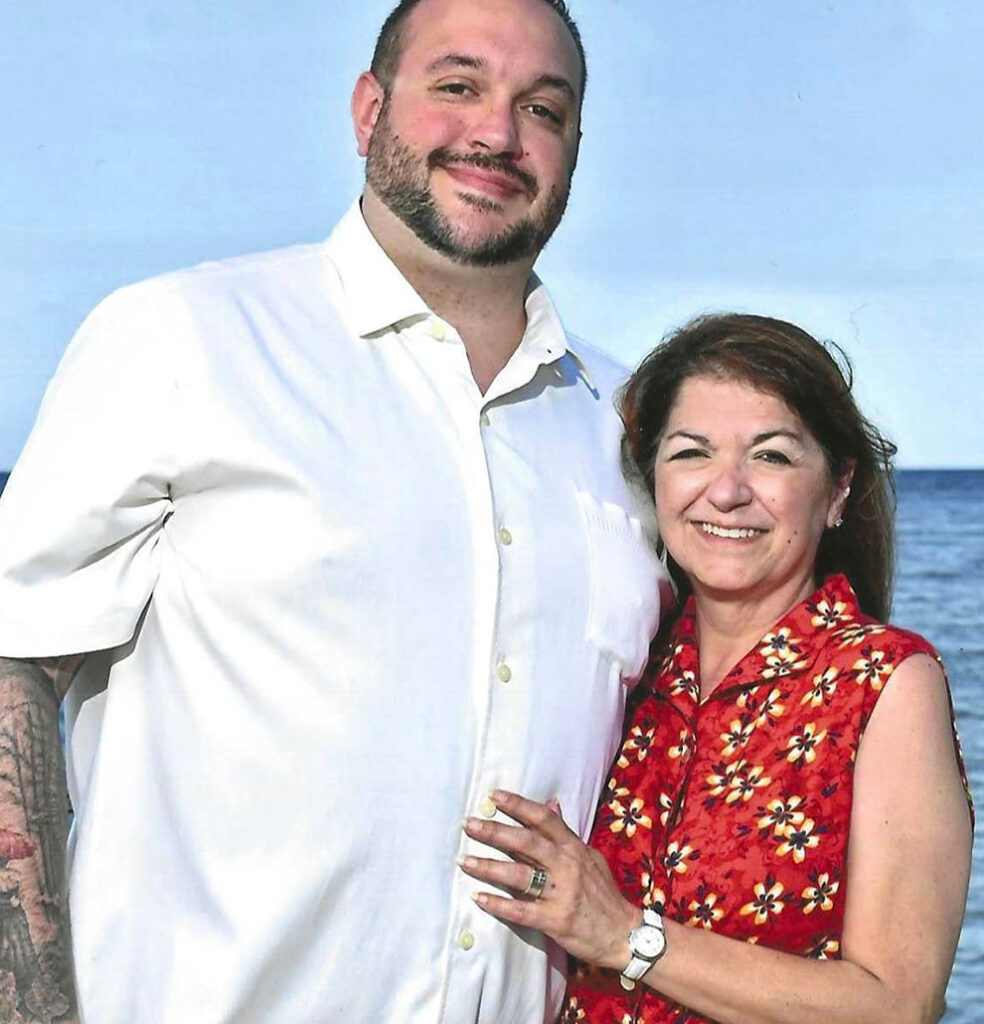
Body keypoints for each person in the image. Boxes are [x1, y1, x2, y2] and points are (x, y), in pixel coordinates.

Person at [0, 1, 669, 1021]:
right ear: (368, 111)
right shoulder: (184, 339)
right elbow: (13, 658)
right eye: (457, 86)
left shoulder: (631, 435)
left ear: (576, 149)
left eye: (544, 107)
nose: (497, 131)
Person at [460, 314, 974, 1024]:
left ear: (839, 489)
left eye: (771, 457)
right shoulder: (632, 666)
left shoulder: (884, 680)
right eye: (691, 453)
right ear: (653, 482)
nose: (726, 491)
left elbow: (898, 1005)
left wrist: (623, 935)